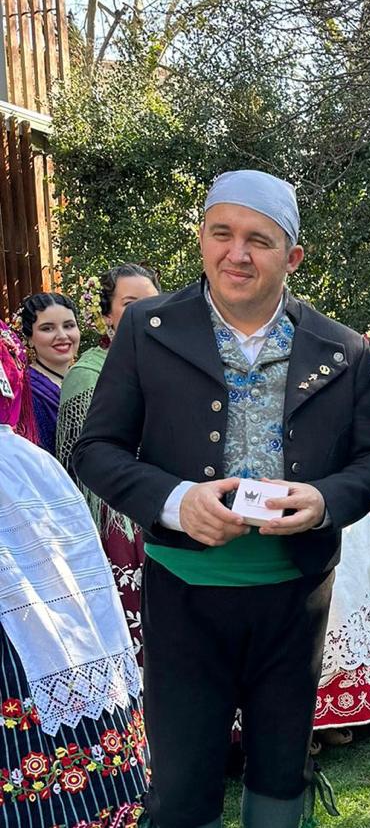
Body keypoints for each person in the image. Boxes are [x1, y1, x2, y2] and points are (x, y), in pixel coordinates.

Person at [73, 169, 370, 828]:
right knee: (186, 786)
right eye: (222, 234)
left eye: (259, 239)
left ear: (292, 256)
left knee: (280, 777)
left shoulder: (339, 348)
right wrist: (175, 500)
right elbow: (97, 450)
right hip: (183, 594)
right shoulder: (148, 328)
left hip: (294, 596)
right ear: (202, 240)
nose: (237, 253)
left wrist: (322, 499)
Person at [0, 320, 148, 827]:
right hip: (23, 481)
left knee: (55, 631)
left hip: (21, 484)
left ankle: (84, 803)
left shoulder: (4, 340)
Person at [56, 264, 161, 665]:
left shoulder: (176, 361)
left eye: (151, 303)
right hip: (115, 517)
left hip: (175, 503)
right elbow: (75, 461)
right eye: (131, 304)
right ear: (108, 315)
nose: (144, 312)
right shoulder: (87, 374)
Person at [313, 327, 370, 742]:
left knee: (350, 606)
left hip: (350, 521)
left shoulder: (360, 401)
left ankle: (346, 710)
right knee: (321, 615)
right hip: (308, 515)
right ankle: (312, 720)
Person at [19, 291, 81, 454]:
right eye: (47, 328)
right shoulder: (27, 393)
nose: (62, 335)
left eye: (69, 326)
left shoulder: (89, 378)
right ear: (29, 338)